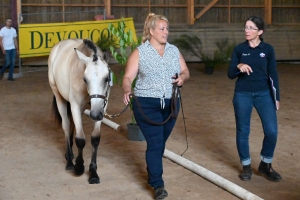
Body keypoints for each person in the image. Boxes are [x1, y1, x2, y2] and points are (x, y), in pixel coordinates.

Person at [122, 13, 190, 199]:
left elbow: (185, 71)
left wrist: (182, 78)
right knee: (155, 143)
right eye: (162, 29)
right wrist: (127, 90)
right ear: (151, 31)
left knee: (160, 143)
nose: (166, 32)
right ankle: (158, 185)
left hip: (171, 103)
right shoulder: (140, 52)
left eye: (167, 29)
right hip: (146, 104)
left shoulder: (174, 51)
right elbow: (127, 77)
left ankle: (152, 173)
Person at [228, 16, 282, 182]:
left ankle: (265, 165)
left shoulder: (268, 49)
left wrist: (276, 97)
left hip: (264, 94)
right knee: (243, 132)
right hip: (242, 95)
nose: (247, 30)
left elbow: (273, 75)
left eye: (251, 28)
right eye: (245, 27)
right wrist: (239, 66)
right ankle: (246, 166)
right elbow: (230, 74)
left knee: (272, 131)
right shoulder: (239, 49)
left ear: (260, 31)